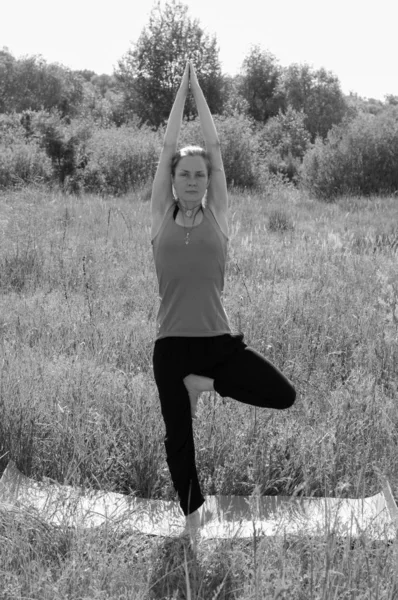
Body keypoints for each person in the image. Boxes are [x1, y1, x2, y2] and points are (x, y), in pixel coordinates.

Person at [151, 61, 296, 539]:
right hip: (171, 345)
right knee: (179, 439)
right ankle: (193, 519)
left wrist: (200, 93)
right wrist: (180, 94)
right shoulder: (159, 218)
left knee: (282, 394)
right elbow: (169, 148)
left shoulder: (220, 217)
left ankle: (201, 384)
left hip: (217, 343)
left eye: (199, 176)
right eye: (184, 175)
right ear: (173, 181)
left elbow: (214, 151)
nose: (193, 180)